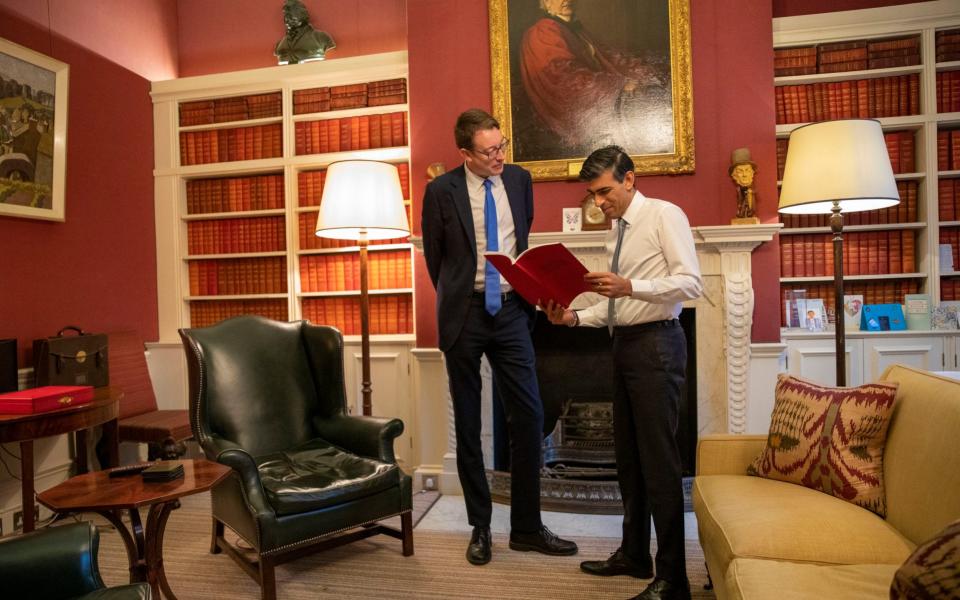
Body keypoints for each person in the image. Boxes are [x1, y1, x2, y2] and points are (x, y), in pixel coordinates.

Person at [542, 146, 702, 600]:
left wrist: (632, 285)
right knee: (629, 462)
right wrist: (572, 319)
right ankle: (634, 555)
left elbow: (691, 283)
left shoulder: (665, 215)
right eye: (593, 194)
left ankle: (674, 578)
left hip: (658, 345)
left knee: (659, 464)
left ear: (629, 179)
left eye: (605, 191)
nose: (599, 202)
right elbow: (614, 307)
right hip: (625, 345)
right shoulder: (614, 233)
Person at [421, 108, 578, 566]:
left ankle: (527, 527)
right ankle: (481, 526)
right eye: (490, 151)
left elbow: (520, 239)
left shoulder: (519, 180)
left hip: (512, 311)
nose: (500, 157)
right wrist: (460, 297)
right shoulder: (439, 192)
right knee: (469, 424)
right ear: (465, 153)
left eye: (503, 146)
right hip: (464, 314)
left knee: (528, 416)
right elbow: (437, 260)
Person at [519, 0, 671, 154]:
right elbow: (563, 77)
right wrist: (618, 85)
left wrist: (649, 71)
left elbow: (609, 57)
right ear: (546, 2)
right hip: (562, 118)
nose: (567, 0)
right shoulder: (542, 31)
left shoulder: (574, 30)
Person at [274, 0, 336, 64]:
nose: (287, 19)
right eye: (286, 15)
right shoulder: (280, 44)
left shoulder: (321, 37)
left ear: (302, 14)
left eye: (291, 14)